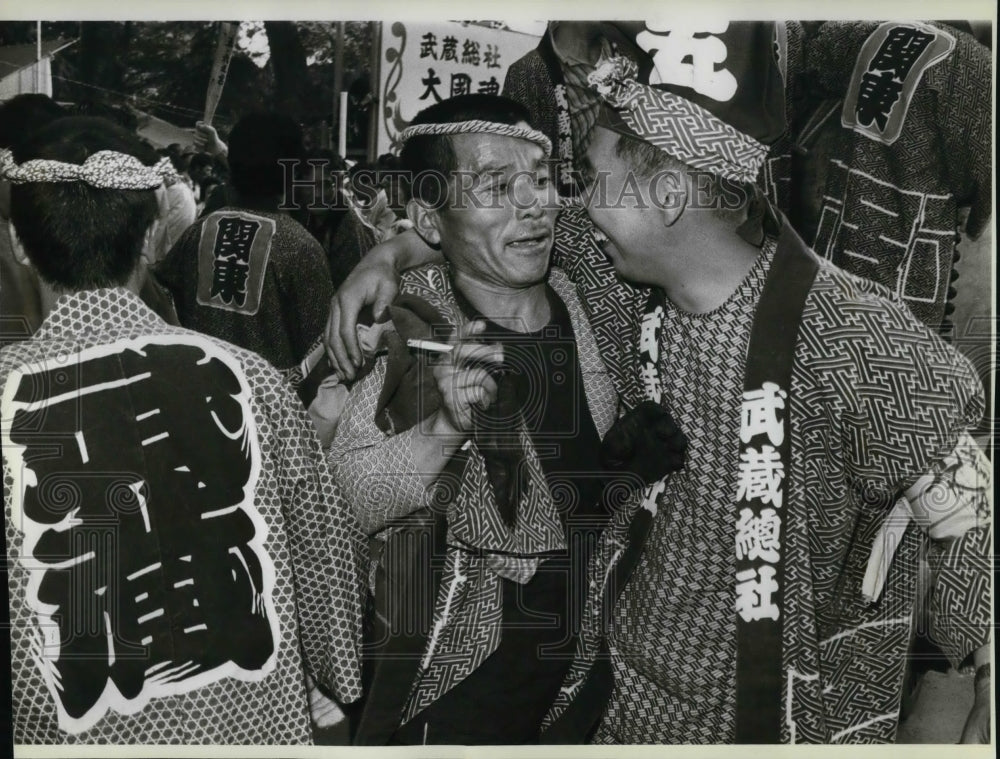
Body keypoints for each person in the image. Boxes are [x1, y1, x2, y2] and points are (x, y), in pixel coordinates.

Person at [323, 23, 990, 745]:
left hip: (766, 722)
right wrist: (389, 254)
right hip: (612, 705)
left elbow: (970, 520)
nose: (565, 204)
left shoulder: (848, 333)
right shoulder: (619, 283)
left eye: (588, 180)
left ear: (668, 194)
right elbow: (480, 229)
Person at [328, 94, 684, 745]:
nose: (534, 204)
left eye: (541, 180)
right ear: (430, 219)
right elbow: (343, 499)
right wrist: (444, 428)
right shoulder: (413, 328)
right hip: (454, 686)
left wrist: (623, 469)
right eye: (495, 186)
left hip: (578, 673)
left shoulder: (586, 291)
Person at [0, 116, 363, 744]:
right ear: (149, 238)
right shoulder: (255, 379)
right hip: (249, 727)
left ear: (18, 242)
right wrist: (334, 673)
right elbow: (327, 560)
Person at [156, 111, 335, 376]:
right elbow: (321, 346)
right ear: (293, 170)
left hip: (200, 388)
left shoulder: (198, 233)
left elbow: (161, 297)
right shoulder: (300, 246)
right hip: (273, 397)